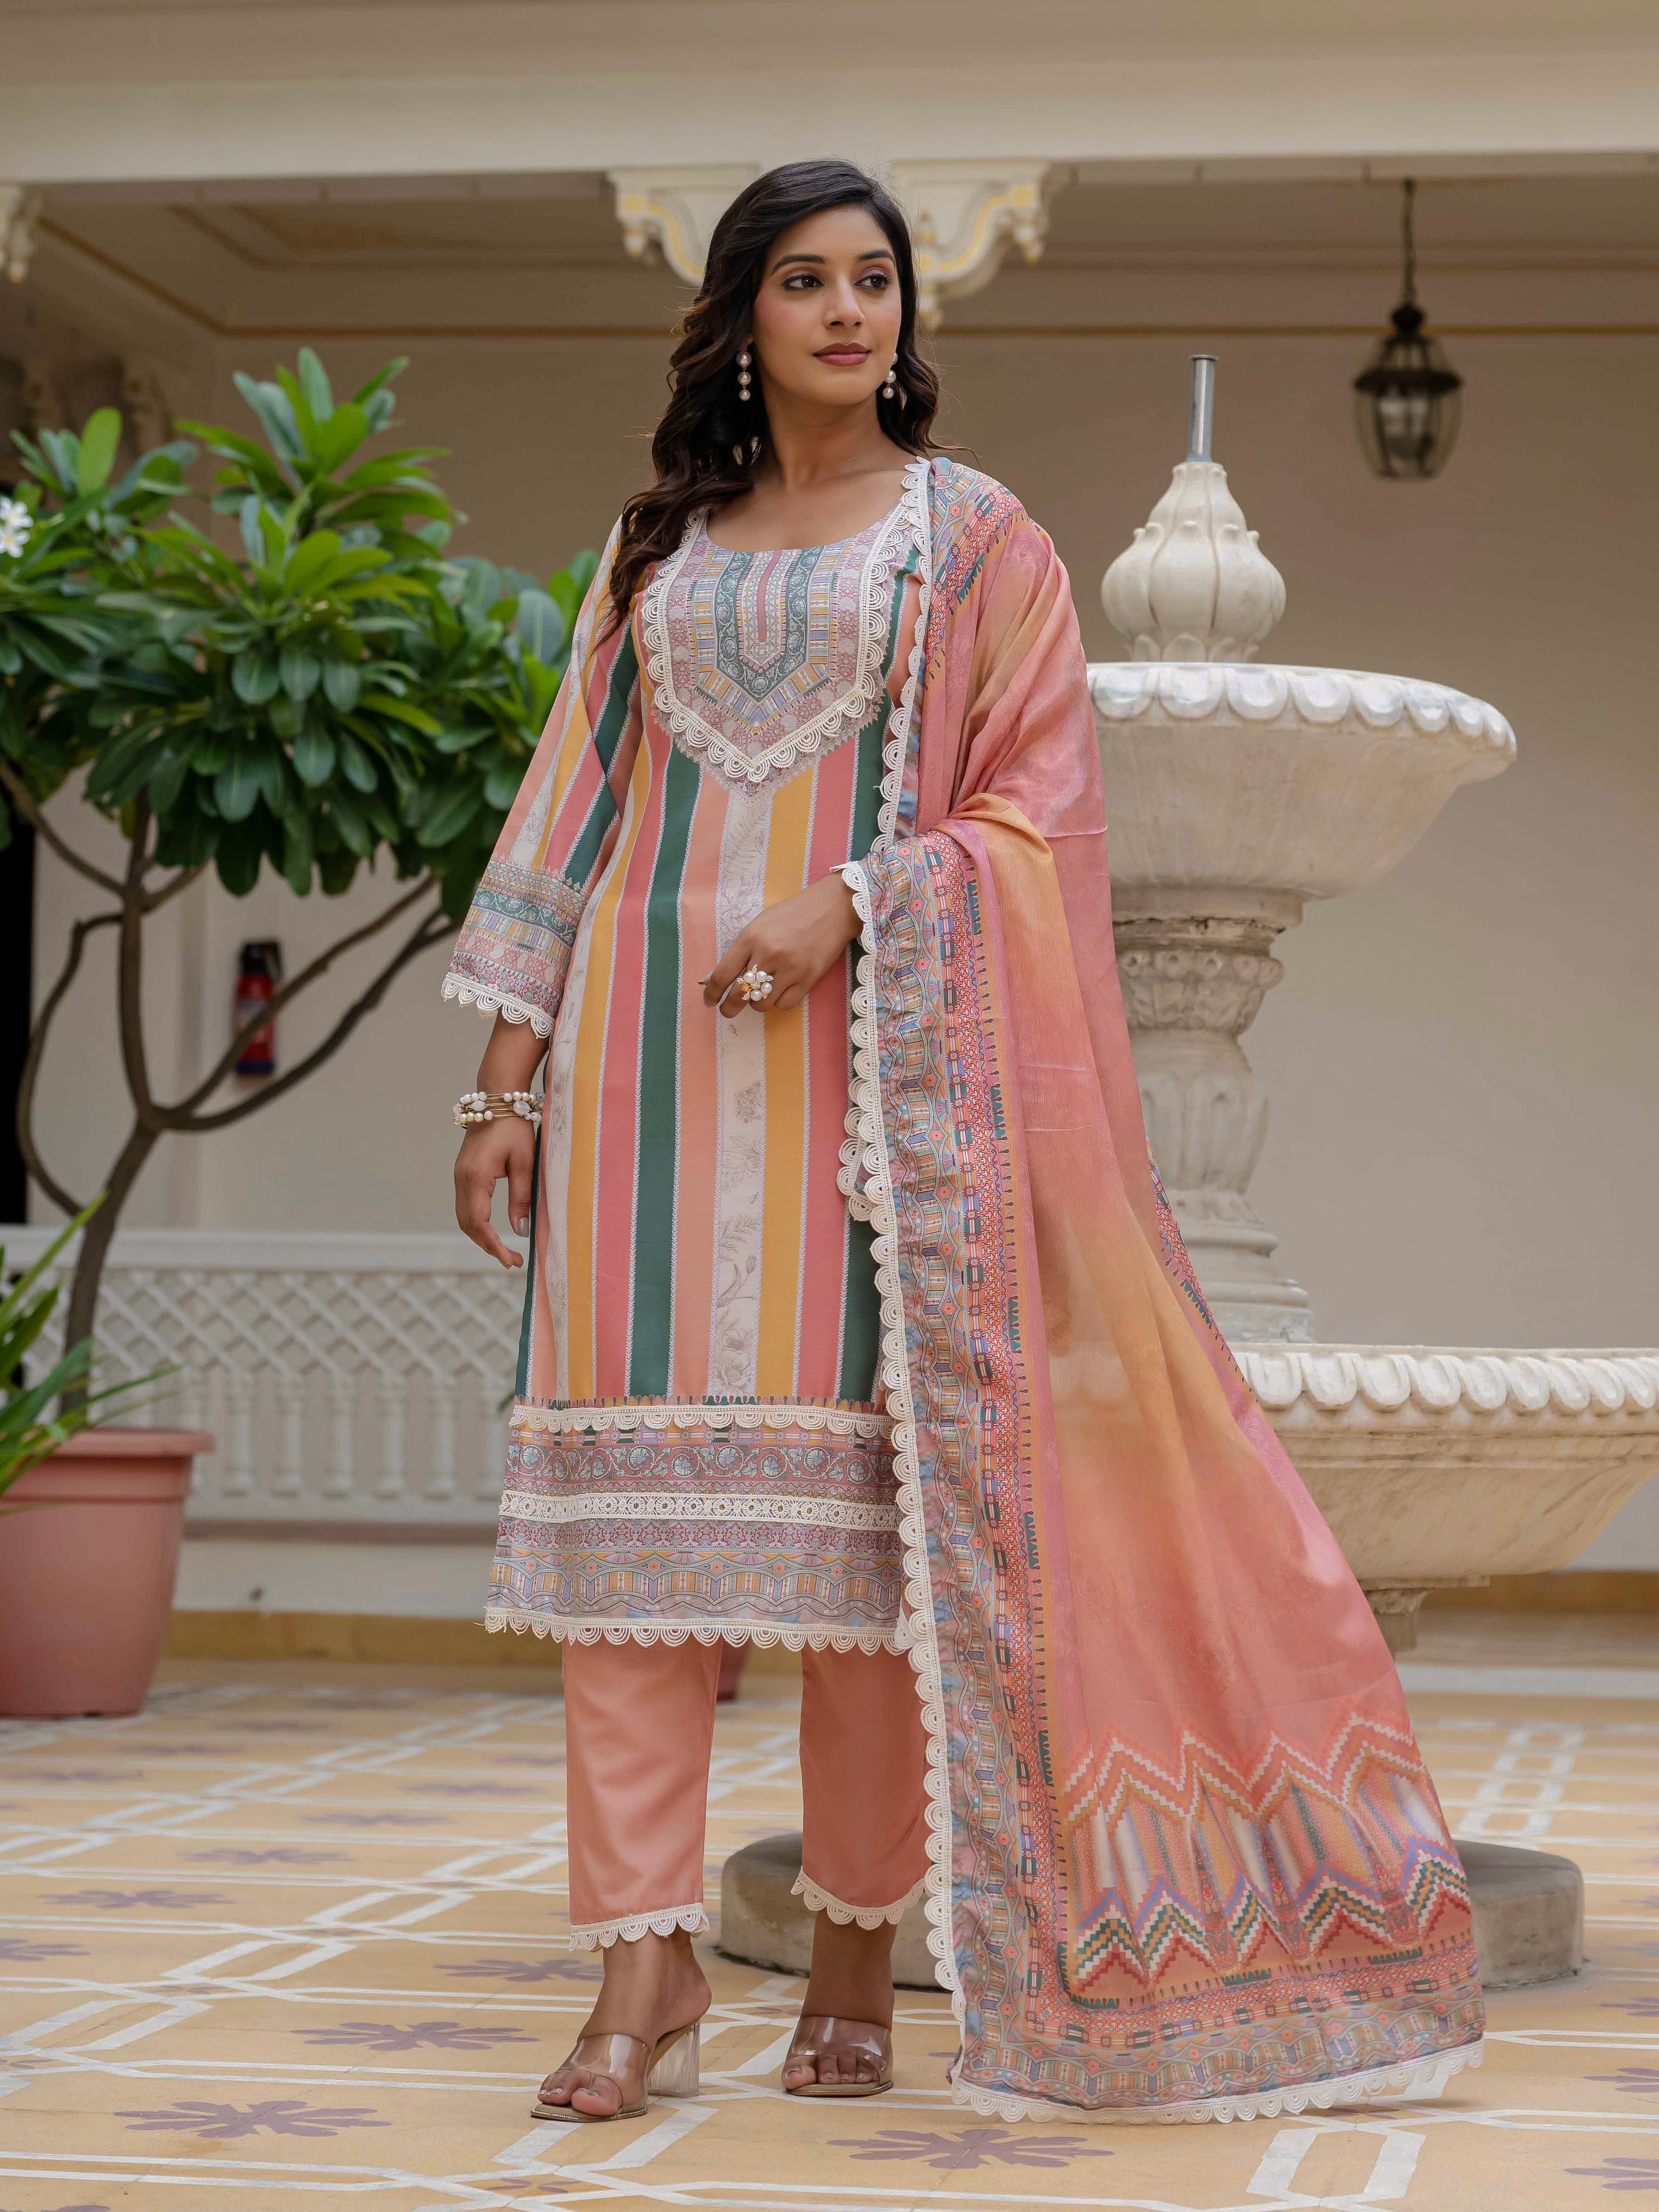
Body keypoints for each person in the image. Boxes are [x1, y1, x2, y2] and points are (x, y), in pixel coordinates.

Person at [444, 159, 1484, 2128]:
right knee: (623, 1572)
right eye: (809, 281)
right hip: (632, 1094)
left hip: (876, 1103)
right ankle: (640, 1966)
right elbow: (561, 819)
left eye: (877, 281)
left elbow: (1034, 808)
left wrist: (852, 900)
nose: (851, 313)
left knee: (866, 1568)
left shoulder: (969, 539)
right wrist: (500, 1085)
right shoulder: (653, 545)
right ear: (740, 313)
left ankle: (851, 1951)